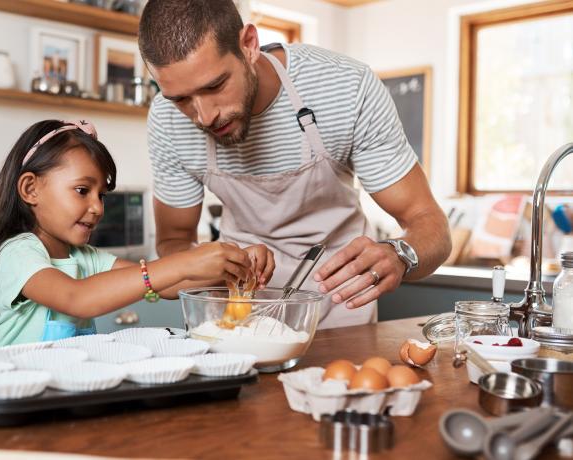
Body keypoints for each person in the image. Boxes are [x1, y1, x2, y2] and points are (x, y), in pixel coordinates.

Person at [138, 0, 452, 328]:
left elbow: (430, 224)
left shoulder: (346, 86)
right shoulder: (166, 121)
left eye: (215, 85)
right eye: (180, 99)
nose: (204, 116)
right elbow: (173, 241)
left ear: (248, 44)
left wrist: (401, 254)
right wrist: (216, 268)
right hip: (237, 313)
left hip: (340, 307)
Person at [0, 119, 260, 346]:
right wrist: (185, 262)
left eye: (102, 195)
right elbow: (78, 299)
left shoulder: (85, 258)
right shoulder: (17, 252)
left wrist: (235, 264)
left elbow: (165, 286)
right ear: (31, 189)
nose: (98, 208)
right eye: (83, 190)